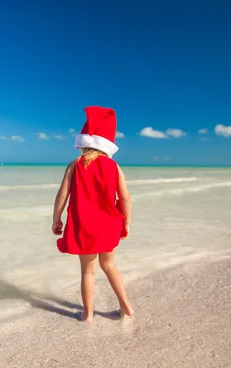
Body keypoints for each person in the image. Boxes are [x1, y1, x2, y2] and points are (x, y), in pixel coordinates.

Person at [52, 106, 133, 323]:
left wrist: (56, 219)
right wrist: (126, 222)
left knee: (88, 272)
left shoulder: (75, 165)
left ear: (84, 143)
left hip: (84, 227)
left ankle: (87, 314)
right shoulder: (114, 167)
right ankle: (125, 305)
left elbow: (62, 195)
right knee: (109, 265)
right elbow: (125, 199)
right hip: (109, 224)